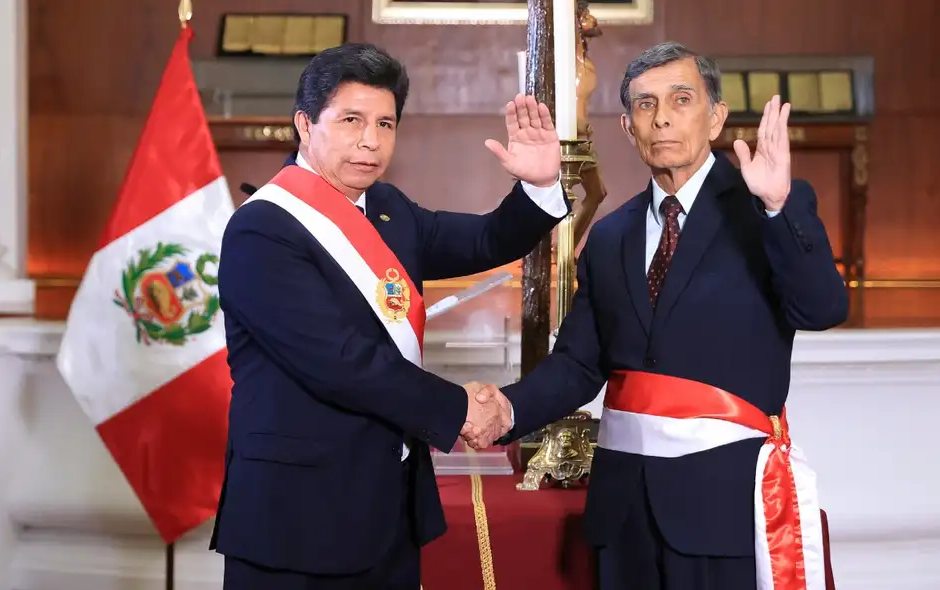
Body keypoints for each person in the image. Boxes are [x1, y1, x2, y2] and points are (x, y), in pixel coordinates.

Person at [465, 41, 849, 589]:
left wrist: (777, 208)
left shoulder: (765, 208)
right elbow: (579, 362)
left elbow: (823, 308)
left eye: (681, 99)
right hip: (624, 515)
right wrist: (506, 408)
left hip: (722, 511)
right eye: (645, 105)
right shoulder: (611, 234)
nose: (662, 117)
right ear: (627, 127)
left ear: (715, 117)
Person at [210, 42, 567, 589]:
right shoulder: (263, 230)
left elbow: (485, 239)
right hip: (298, 520)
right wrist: (459, 409)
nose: (371, 141)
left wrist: (540, 183)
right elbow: (340, 362)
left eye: (385, 122)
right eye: (351, 120)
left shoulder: (389, 209)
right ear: (305, 124)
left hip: (388, 509)